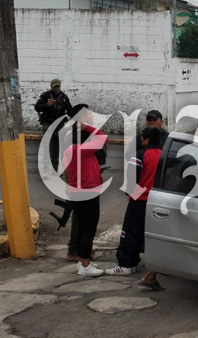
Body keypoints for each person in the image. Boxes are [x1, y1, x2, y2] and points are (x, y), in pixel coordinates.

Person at [103, 127, 163, 276]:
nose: (140, 139)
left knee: (130, 232)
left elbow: (131, 182)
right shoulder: (163, 156)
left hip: (139, 201)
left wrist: (133, 194)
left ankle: (126, 264)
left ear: (147, 140)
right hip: (156, 201)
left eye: (142, 137)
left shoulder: (139, 156)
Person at [63, 104, 107, 277]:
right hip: (87, 193)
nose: (92, 117)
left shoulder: (73, 149)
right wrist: (87, 127)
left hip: (80, 192)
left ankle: (84, 260)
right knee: (88, 229)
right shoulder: (80, 150)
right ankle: (85, 265)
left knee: (83, 228)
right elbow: (103, 138)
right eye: (89, 115)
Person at [35, 78, 72, 171]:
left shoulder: (64, 97)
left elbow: (70, 110)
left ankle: (55, 168)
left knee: (57, 147)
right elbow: (37, 107)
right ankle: (46, 168)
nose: (57, 88)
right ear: (51, 86)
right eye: (55, 86)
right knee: (47, 146)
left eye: (58, 86)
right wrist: (47, 104)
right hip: (48, 122)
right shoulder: (45, 96)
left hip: (59, 124)